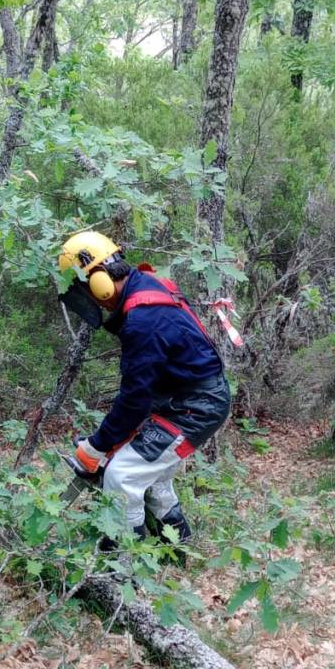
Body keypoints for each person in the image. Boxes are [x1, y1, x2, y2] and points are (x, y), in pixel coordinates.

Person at [57, 230, 231, 543]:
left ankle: (124, 573)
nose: (92, 299)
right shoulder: (147, 284)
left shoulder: (143, 320)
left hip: (194, 407)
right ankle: (179, 553)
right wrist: (109, 439)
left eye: (87, 290)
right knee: (152, 481)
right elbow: (142, 389)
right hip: (182, 398)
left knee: (122, 477)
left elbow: (135, 399)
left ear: (99, 281)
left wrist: (97, 446)